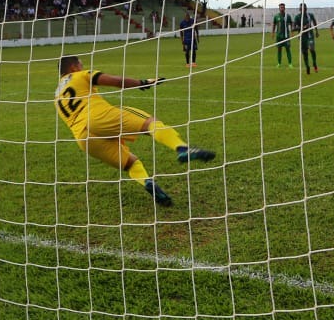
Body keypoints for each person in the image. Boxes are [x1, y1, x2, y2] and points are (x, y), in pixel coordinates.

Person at [54, 55, 215, 207]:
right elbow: (116, 81)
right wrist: (142, 82)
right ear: (74, 67)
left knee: (130, 163)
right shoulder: (80, 75)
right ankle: (182, 148)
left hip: (83, 138)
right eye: (81, 64)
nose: (83, 66)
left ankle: (147, 182)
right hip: (98, 116)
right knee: (150, 123)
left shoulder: (57, 96)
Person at [296, 3, 319, 74]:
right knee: (305, 53)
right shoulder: (297, 17)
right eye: (301, 8)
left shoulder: (310, 15)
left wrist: (316, 31)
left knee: (312, 49)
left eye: (304, 8)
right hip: (302, 37)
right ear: (300, 9)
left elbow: (315, 23)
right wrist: (302, 28)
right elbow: (294, 28)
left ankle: (314, 64)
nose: (303, 10)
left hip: (310, 36)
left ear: (306, 9)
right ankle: (307, 67)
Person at [272, 2, 294, 68]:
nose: (282, 8)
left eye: (283, 7)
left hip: (286, 36)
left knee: (288, 49)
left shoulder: (288, 16)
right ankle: (279, 63)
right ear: (279, 8)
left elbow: (291, 23)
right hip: (279, 36)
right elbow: (274, 24)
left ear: (284, 8)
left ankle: (290, 64)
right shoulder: (276, 16)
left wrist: (292, 32)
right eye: (280, 7)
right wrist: (273, 32)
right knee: (279, 50)